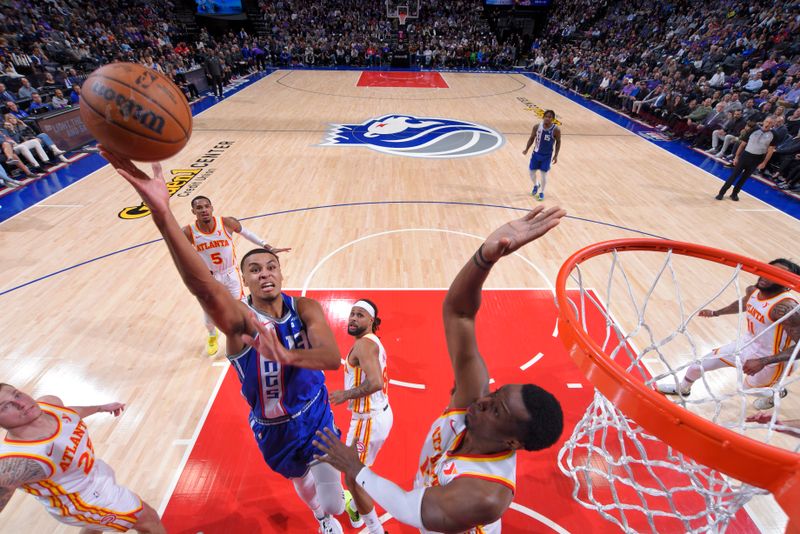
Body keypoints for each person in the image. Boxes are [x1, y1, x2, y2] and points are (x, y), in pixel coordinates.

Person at [102, 150, 347, 533]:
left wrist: (287, 354)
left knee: (334, 500)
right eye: (255, 269)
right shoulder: (240, 321)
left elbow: (332, 358)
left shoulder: (306, 307)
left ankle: (326, 512)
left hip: (315, 413)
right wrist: (162, 215)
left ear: (281, 273)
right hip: (275, 427)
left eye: (270, 267)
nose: (264, 273)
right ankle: (318, 516)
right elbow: (201, 285)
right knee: (304, 486)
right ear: (244, 279)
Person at [313, 206, 566, 533]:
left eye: (497, 409)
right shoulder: (474, 399)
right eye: (496, 393)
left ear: (513, 442)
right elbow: (459, 313)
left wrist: (355, 467)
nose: (485, 400)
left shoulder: (486, 495)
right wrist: (484, 258)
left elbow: (407, 507)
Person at [0, 384, 165, 532]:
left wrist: (100, 408)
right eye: (5, 407)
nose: (21, 404)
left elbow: (72, 413)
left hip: (92, 474)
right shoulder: (18, 462)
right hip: (79, 501)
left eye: (17, 394)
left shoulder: (49, 404)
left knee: (94, 527)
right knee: (148, 519)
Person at [658, 258, 800, 410]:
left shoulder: (787, 309)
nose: (766, 276)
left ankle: (776, 391)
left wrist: (763, 361)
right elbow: (744, 304)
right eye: (768, 270)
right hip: (746, 344)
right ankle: (683, 388)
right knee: (698, 365)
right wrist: (716, 313)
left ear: (787, 285)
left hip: (773, 358)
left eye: (776, 275)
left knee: (747, 390)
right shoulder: (753, 291)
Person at [182, 195, 290, 355]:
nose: (204, 210)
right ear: (193, 211)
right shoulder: (188, 232)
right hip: (209, 278)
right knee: (208, 313)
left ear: (212, 208)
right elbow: (181, 252)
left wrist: (266, 246)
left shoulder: (226, 223)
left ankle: (248, 335)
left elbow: (247, 233)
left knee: (240, 307)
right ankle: (212, 334)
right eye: (199, 208)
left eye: (206, 206)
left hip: (230, 274)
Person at [328, 300, 392, 533]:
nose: (353, 318)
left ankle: (376, 530)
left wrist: (346, 394)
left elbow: (374, 382)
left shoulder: (364, 346)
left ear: (371, 321)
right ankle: (355, 506)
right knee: (359, 471)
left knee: (352, 478)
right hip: (379, 415)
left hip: (368, 420)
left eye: (360, 315)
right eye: (352, 314)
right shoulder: (371, 343)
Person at [716, 116, 777, 201]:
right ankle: (721, 192)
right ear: (763, 121)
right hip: (745, 155)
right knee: (734, 175)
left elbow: (770, 151)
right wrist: (736, 156)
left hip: (757, 158)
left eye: (770, 123)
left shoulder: (774, 135)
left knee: (744, 178)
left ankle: (734, 194)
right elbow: (743, 144)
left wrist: (764, 163)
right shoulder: (754, 129)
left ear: (773, 124)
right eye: (767, 121)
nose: (768, 124)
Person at [522, 110, 561, 202]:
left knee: (544, 175)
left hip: (547, 156)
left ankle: (542, 192)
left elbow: (558, 142)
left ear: (553, 119)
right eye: (546, 116)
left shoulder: (556, 129)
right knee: (531, 173)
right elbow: (532, 138)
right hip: (536, 154)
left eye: (550, 117)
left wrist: (556, 155)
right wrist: (526, 149)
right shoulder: (537, 127)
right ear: (543, 117)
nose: (548, 118)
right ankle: (536, 184)